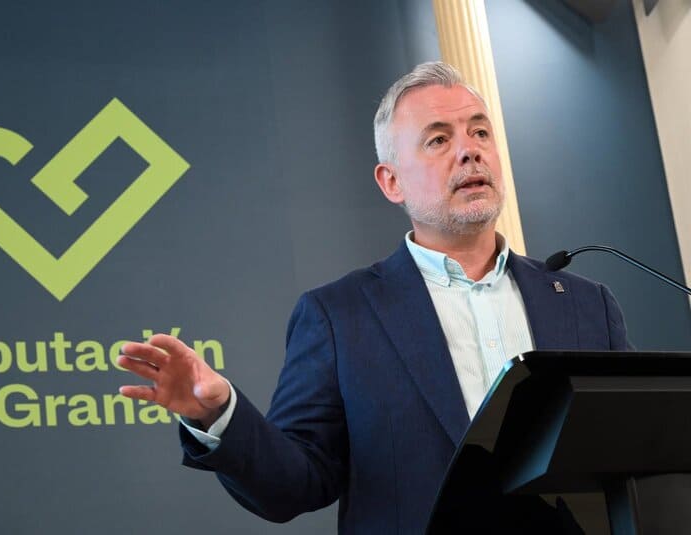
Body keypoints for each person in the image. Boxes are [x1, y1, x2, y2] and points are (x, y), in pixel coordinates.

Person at [117, 62, 629, 533]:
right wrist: (219, 416)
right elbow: (294, 483)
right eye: (438, 139)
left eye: (480, 132)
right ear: (391, 182)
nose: (469, 150)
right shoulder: (341, 318)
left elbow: (635, 459)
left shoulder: (587, 306)